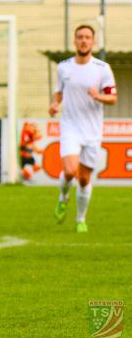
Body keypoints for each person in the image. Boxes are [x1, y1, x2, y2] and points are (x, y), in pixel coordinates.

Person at [49, 24, 117, 233]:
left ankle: (80, 218)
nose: (84, 41)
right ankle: (63, 197)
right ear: (75, 41)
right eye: (80, 37)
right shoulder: (64, 67)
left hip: (93, 131)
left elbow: (113, 98)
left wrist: (98, 96)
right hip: (70, 126)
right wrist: (54, 104)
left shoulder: (102, 68)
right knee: (70, 171)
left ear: (93, 42)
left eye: (88, 37)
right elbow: (59, 92)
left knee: (85, 178)